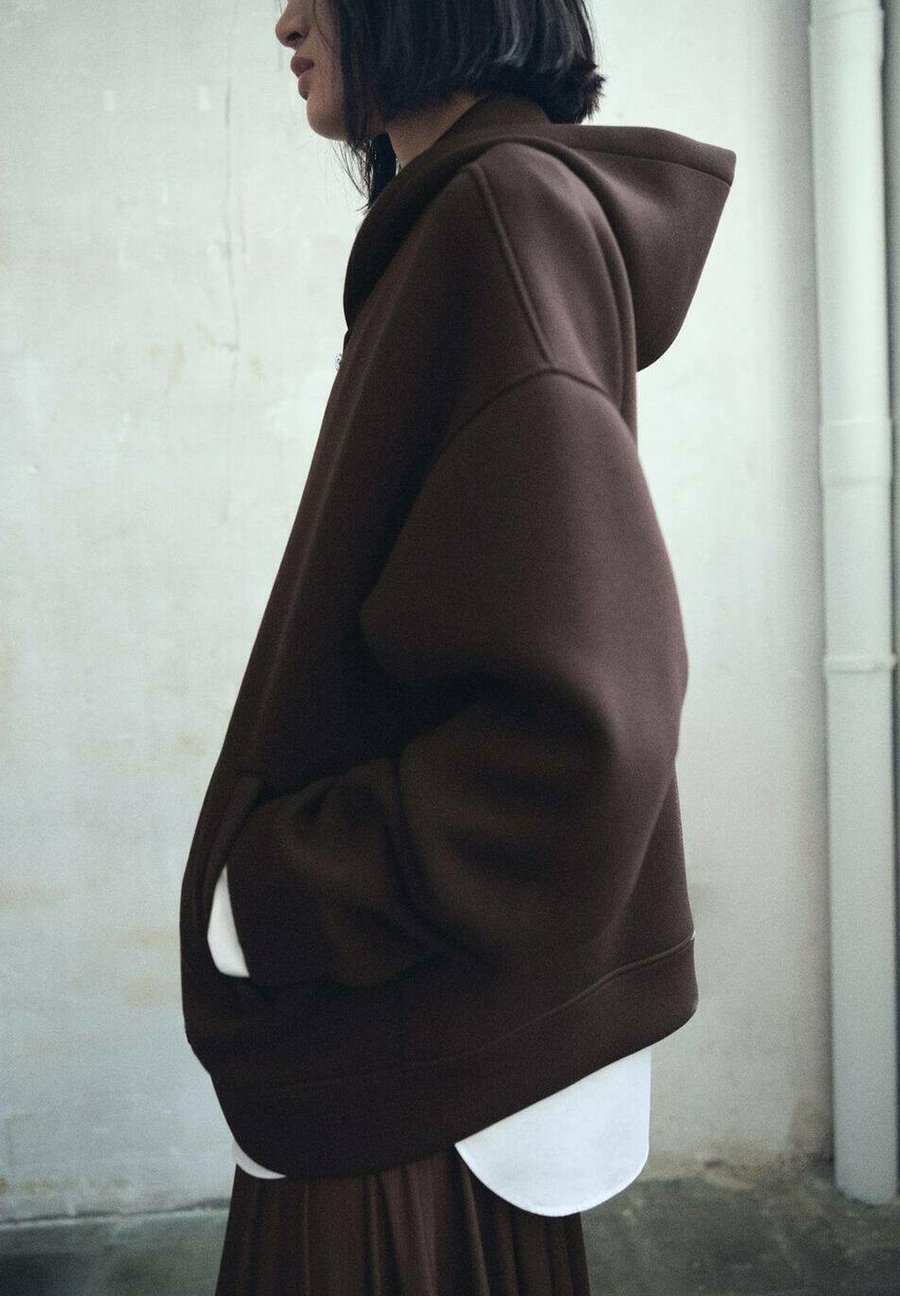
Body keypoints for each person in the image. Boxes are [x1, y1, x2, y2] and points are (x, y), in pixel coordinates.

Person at [177, 0, 737, 1291]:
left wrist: (288, 889)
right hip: (438, 1057)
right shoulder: (470, 222)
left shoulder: (497, 220)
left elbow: (591, 730)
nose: (285, 20)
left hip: (416, 1080)